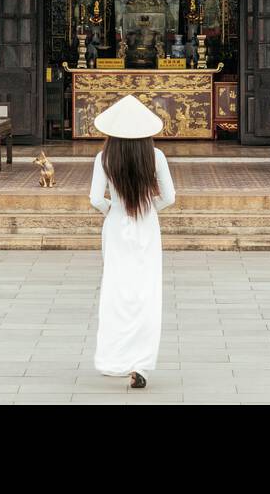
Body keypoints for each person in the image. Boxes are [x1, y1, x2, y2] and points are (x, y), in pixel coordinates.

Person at [88, 94, 176, 389]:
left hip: (115, 227)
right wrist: (150, 207)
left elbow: (94, 198)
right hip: (146, 226)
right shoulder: (157, 157)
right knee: (146, 292)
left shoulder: (104, 158)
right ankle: (142, 365)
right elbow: (170, 197)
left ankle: (114, 357)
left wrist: (113, 208)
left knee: (116, 290)